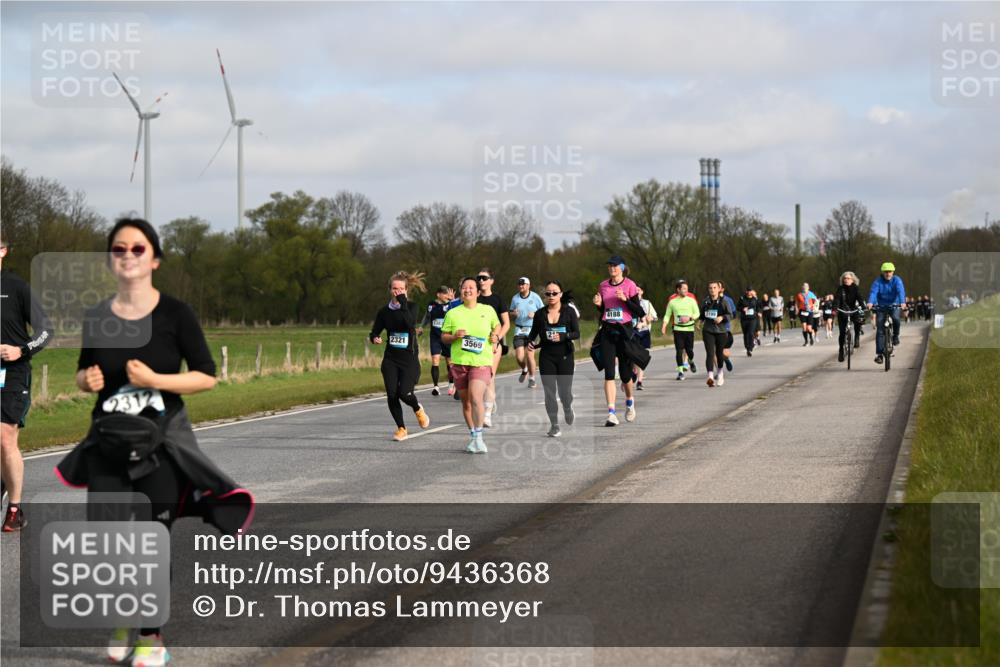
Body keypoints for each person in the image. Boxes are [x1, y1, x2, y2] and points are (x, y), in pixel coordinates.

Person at [57, 218, 253, 667]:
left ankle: (151, 637)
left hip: (160, 446)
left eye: (137, 248)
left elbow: (206, 376)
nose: (127, 255)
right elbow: (85, 372)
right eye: (118, 249)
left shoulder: (175, 314)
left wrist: (155, 380)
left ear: (155, 259)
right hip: (108, 444)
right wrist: (85, 381)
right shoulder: (98, 315)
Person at [1, 238, 54, 532]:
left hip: (12, 373)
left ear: (3, 251)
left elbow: (46, 330)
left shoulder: (16, 287)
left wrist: (21, 350)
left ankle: (15, 510)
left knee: (5, 438)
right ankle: (4, 479)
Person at [440, 277, 502, 453]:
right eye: (464, 287)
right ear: (461, 291)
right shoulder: (452, 313)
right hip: (460, 362)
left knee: (475, 397)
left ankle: (480, 437)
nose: (467, 290)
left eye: (471, 287)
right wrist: (454, 336)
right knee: (466, 403)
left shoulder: (487, 310)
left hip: (481, 362)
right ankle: (474, 436)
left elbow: (497, 326)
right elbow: (443, 336)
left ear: (478, 292)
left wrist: (495, 336)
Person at [370, 272, 431, 441]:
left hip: (409, 358)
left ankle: (417, 408)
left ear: (406, 290)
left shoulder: (412, 307)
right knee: (392, 394)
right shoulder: (384, 312)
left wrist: (403, 303)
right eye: (394, 288)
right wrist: (374, 338)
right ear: (390, 290)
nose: (397, 291)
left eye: (401, 289)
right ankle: (401, 428)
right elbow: (375, 331)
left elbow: (410, 324)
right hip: (391, 358)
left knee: (405, 393)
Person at [592, 255, 646, 426]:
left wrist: (626, 300)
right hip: (608, 331)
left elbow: (639, 312)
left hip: (624, 332)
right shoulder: (603, 285)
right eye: (609, 266)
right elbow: (603, 311)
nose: (612, 268)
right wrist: (599, 305)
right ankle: (611, 413)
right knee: (609, 373)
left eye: (615, 266)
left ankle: (630, 401)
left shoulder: (630, 285)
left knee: (624, 375)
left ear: (622, 268)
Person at [526, 281, 580, 437]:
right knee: (549, 393)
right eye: (548, 293)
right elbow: (533, 334)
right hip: (547, 357)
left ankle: (567, 407)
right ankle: (554, 425)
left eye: (554, 293)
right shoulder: (540, 314)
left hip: (565, 355)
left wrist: (564, 336)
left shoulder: (569, 311)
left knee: (564, 393)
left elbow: (576, 333)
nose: (551, 296)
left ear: (560, 294)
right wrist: (530, 342)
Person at [474, 268, 510, 428]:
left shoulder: (497, 299)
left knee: (489, 376)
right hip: (476, 343)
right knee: (477, 378)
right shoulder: (474, 298)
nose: (481, 280)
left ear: (491, 281)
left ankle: (487, 413)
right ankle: (489, 401)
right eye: (479, 278)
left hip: (493, 342)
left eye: (484, 278)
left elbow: (506, 323)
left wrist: (497, 338)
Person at [867, 262, 906, 365]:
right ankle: (879, 354)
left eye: (890, 272)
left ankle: (895, 336)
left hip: (894, 305)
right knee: (880, 329)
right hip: (881, 306)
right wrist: (870, 302)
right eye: (886, 272)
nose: (888, 274)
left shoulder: (897, 280)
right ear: (882, 272)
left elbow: (900, 291)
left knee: (896, 319)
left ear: (893, 272)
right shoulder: (878, 281)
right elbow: (873, 292)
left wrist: (902, 302)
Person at [509, 277, 544, 389]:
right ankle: (524, 369)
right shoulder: (515, 298)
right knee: (519, 357)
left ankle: (532, 379)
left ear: (528, 285)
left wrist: (535, 314)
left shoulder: (535, 297)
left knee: (529, 355)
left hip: (532, 329)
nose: (521, 286)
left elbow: (543, 311)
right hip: (519, 329)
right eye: (519, 284)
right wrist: (513, 313)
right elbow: (511, 311)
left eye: (523, 284)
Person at [420, 286, 455, 397]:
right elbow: (427, 316)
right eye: (444, 293)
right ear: (438, 294)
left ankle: (451, 384)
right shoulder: (431, 305)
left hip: (447, 336)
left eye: (447, 294)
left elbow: (457, 314)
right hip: (435, 337)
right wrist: (421, 327)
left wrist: (452, 301)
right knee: (435, 360)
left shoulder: (451, 305)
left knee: (449, 362)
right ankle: (436, 387)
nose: (446, 296)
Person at [662, 279, 700, 381]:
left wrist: (690, 318)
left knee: (689, 351)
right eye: (684, 289)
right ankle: (680, 372)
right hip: (678, 329)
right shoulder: (672, 302)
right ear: (678, 290)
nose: (686, 290)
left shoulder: (691, 300)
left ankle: (690, 361)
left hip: (689, 329)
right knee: (679, 351)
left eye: (687, 289)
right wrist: (664, 325)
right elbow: (667, 315)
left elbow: (697, 313)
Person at [700, 281, 734, 387]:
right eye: (710, 288)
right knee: (710, 353)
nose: (712, 290)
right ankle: (710, 377)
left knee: (719, 354)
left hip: (721, 331)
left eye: (714, 288)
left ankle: (720, 373)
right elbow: (702, 315)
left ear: (719, 289)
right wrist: (699, 322)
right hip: (708, 330)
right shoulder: (705, 301)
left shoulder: (724, 302)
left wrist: (722, 317)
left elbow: (730, 315)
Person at [834, 271, 866, 362]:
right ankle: (841, 350)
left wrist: (863, 306)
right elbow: (837, 299)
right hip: (842, 310)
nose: (846, 280)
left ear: (852, 280)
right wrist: (835, 308)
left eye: (848, 278)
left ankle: (857, 337)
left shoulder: (855, 288)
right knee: (842, 332)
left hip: (853, 309)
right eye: (844, 278)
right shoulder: (840, 289)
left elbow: (860, 298)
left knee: (858, 321)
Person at [632, 285, 658, 389]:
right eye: (634, 290)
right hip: (632, 332)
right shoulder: (629, 302)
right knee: (633, 357)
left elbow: (655, 317)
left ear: (642, 291)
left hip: (644, 333)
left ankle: (639, 381)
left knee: (642, 357)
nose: (637, 292)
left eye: (638, 290)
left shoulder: (647, 303)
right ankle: (634, 372)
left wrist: (649, 319)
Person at [736, 286, 760, 357]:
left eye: (750, 291)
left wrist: (759, 312)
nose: (749, 292)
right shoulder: (742, 298)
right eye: (748, 291)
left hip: (753, 319)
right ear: (746, 291)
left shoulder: (755, 299)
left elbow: (758, 307)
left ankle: (751, 347)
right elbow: (737, 307)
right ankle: (747, 348)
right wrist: (742, 309)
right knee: (745, 334)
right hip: (744, 319)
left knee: (751, 332)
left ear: (752, 291)